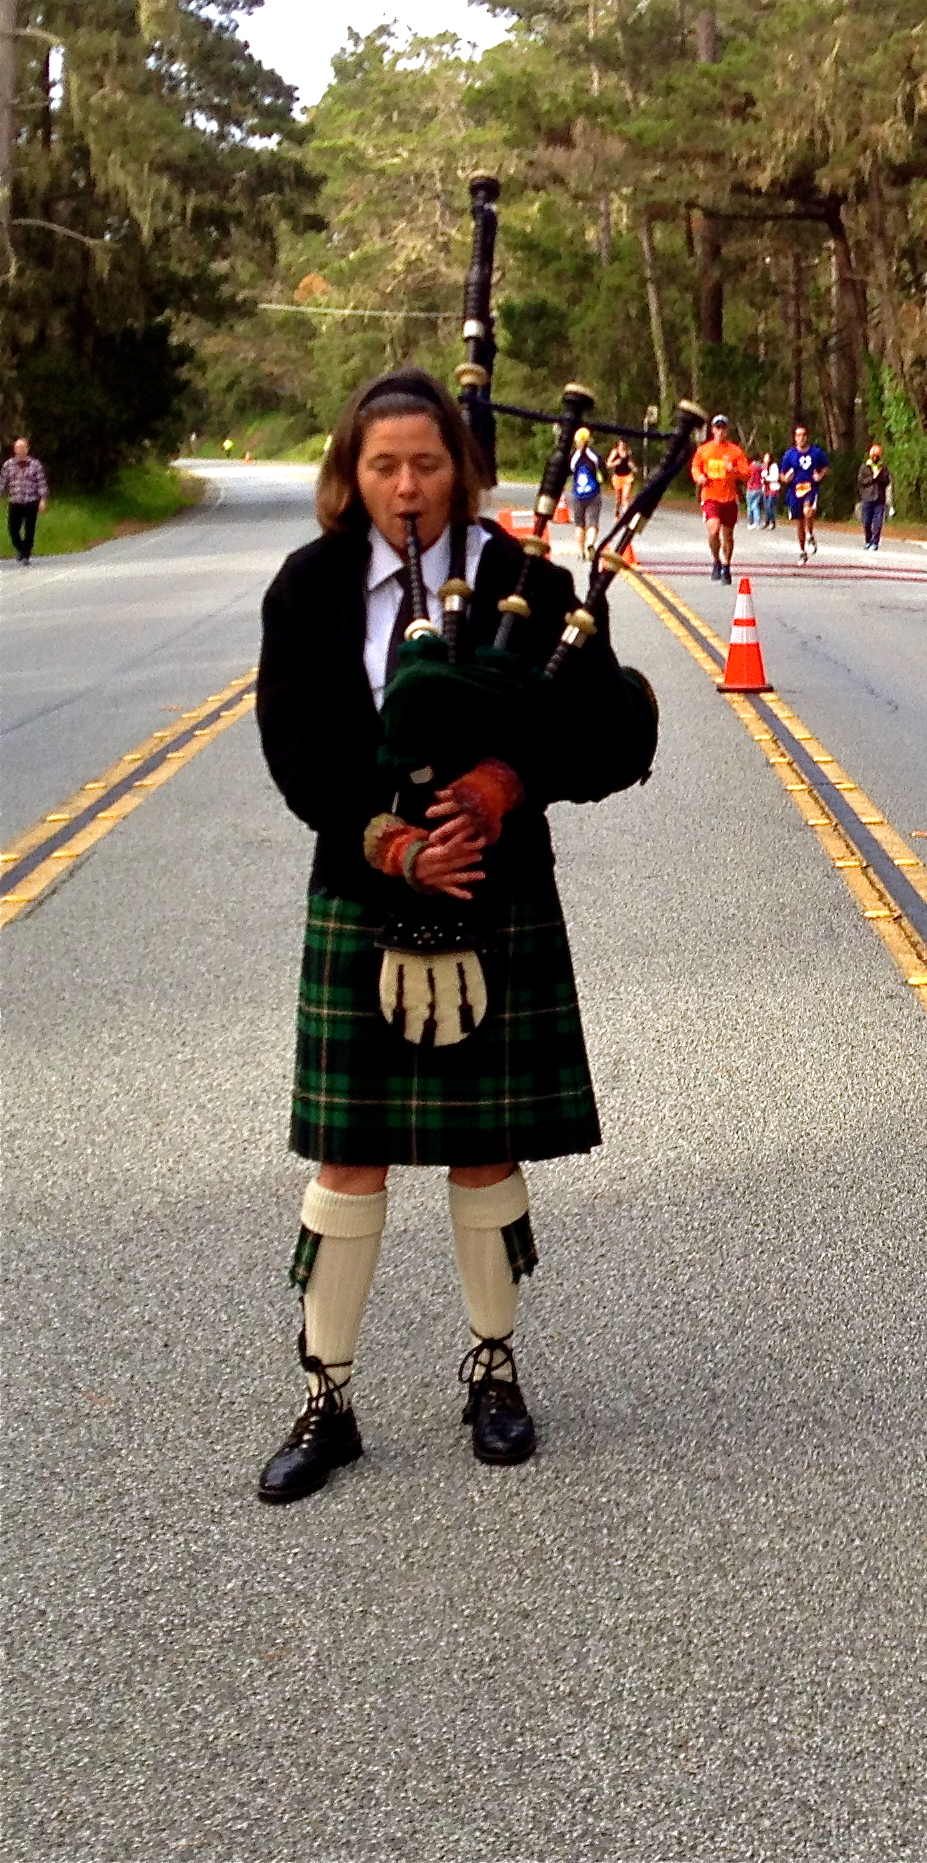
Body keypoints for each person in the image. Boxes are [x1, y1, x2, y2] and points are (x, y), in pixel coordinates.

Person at [250, 366, 658, 1503]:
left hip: (500, 890)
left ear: (462, 471)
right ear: (351, 473)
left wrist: (503, 781)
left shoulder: (528, 579)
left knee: (486, 1148)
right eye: (383, 464)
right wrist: (392, 843)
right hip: (366, 887)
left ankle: (493, 1369)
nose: (406, 484)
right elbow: (299, 751)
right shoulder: (310, 587)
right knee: (350, 1155)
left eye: (427, 462)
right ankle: (327, 1394)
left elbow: (611, 732)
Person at [689, 415, 750, 584]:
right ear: (712, 430)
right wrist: (699, 477)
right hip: (710, 496)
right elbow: (695, 467)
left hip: (729, 498)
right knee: (714, 530)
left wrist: (734, 469)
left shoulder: (735, 451)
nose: (720, 431)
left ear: (727, 430)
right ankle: (716, 560)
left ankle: (726, 566)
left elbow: (747, 473)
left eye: (723, 428)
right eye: (717, 428)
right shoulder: (704, 450)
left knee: (728, 535)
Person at [780, 422, 830, 562]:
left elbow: (826, 467)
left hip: (810, 488)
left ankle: (810, 534)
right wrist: (786, 478)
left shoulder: (816, 452)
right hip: (795, 490)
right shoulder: (789, 455)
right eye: (798, 435)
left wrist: (820, 476)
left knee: (808, 511)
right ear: (795, 438)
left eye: (803, 435)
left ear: (807, 437)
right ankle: (802, 550)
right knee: (799, 522)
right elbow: (782, 475)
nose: (801, 438)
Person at [4, 436, 47, 564]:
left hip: (31, 501)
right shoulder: (8, 465)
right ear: (14, 450)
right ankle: (21, 549)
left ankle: (26, 555)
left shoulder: (35, 465)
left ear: (27, 449)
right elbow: (2, 483)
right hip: (15, 500)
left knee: (29, 528)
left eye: (22, 447)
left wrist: (43, 500)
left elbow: (41, 483)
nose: (20, 450)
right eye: (17, 448)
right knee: (13, 529)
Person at [566, 427, 605, 559]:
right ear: (589, 440)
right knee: (592, 523)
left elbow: (568, 471)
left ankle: (580, 551)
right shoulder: (594, 455)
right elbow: (603, 470)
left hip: (577, 494)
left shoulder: (573, 456)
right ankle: (590, 544)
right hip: (594, 493)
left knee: (579, 524)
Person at [856, 443, 891, 551]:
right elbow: (861, 481)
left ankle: (875, 542)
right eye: (873, 455)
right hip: (867, 498)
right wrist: (873, 478)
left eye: (877, 455)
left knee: (878, 522)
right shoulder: (864, 467)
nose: (875, 457)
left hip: (879, 498)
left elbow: (887, 481)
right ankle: (868, 540)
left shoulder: (883, 468)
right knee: (866, 521)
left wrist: (879, 478)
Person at [605, 437, 637, 529]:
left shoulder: (628, 452)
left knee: (625, 497)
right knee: (618, 499)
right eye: (621, 443)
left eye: (624, 443)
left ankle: (626, 517)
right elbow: (608, 464)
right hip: (617, 477)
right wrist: (615, 463)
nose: (623, 444)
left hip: (627, 477)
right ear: (619, 443)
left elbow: (629, 462)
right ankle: (617, 513)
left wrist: (634, 468)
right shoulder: (615, 452)